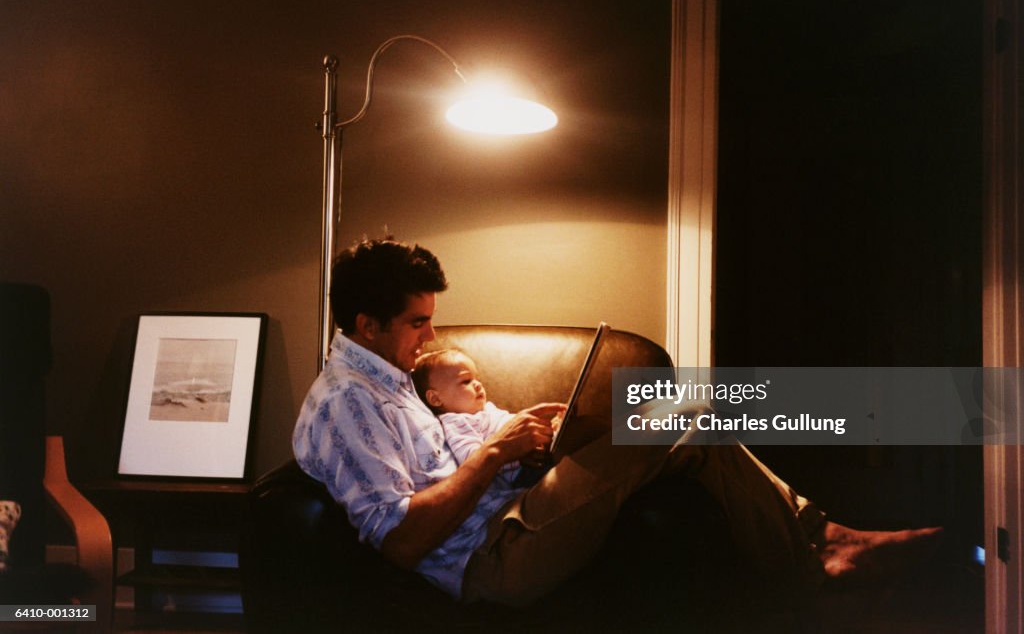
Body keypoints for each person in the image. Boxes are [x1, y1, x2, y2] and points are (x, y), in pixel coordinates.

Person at [292, 236, 941, 607]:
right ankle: (821, 551)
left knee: (678, 411)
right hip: (493, 559)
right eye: (416, 323)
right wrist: (495, 452)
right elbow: (401, 541)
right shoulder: (347, 402)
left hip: (509, 516)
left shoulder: (386, 379)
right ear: (366, 325)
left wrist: (534, 439)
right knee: (673, 411)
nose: (430, 335)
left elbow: (443, 464)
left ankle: (821, 539)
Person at [412, 348, 541, 488]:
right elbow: (474, 460)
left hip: (533, 455)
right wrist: (518, 458)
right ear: (436, 399)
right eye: (466, 381)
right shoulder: (455, 423)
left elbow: (512, 423)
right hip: (520, 474)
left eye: (476, 378)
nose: (478, 384)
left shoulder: (487, 408)